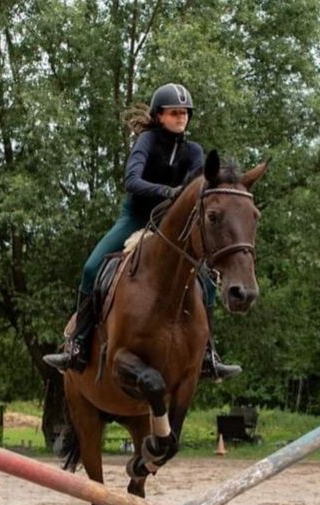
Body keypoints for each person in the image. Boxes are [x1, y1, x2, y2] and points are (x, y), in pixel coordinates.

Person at [43, 82, 241, 380]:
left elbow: (198, 192)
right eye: (174, 113)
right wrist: (168, 192)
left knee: (207, 283)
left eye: (184, 113)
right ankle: (78, 346)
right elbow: (132, 181)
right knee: (91, 268)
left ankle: (208, 355)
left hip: (171, 226)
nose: (181, 118)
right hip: (136, 216)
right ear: (159, 115)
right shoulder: (146, 142)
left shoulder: (194, 151)